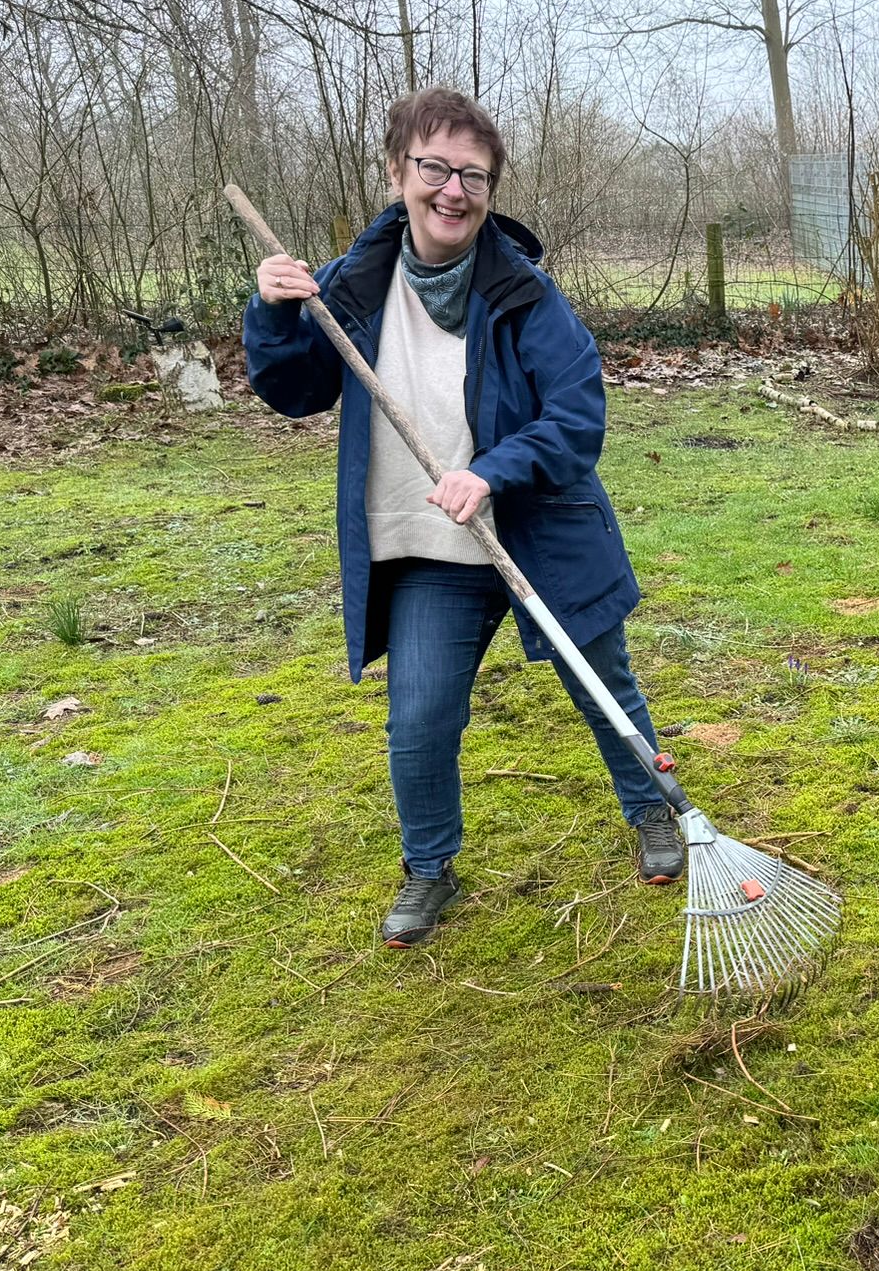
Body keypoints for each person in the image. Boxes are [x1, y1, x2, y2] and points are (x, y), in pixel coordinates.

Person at [243, 86, 684, 947]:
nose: (453, 190)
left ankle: (657, 811)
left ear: (491, 189)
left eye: (473, 176)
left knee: (604, 690)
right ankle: (429, 866)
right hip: (426, 549)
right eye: (434, 168)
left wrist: (491, 472)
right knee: (421, 714)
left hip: (539, 535)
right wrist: (273, 312)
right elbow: (294, 391)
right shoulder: (350, 289)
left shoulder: (524, 294)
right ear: (398, 171)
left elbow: (577, 417)